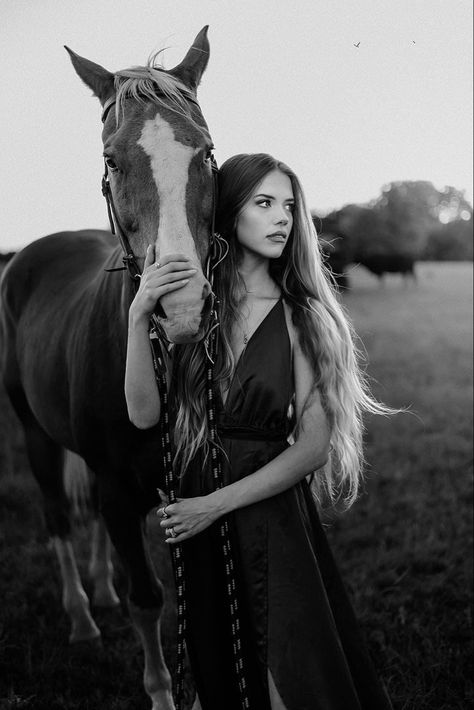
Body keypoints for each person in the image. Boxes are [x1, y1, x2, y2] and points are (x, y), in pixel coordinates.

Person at [125, 153, 393, 709]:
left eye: (290, 206)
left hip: (267, 515)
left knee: (284, 672)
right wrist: (137, 317)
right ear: (229, 213)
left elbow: (314, 448)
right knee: (218, 669)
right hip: (199, 520)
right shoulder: (192, 311)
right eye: (263, 203)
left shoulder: (304, 315)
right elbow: (144, 416)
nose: (282, 219)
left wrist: (215, 504)